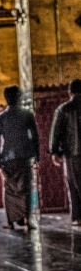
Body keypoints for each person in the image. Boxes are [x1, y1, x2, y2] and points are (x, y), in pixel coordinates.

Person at [0, 85, 40, 230]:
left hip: (7, 158)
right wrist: (37, 158)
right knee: (25, 188)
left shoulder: (0, 118)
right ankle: (26, 219)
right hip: (24, 157)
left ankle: (10, 222)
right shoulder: (27, 115)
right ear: (19, 98)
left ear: (6, 99)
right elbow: (35, 138)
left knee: (9, 190)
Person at [50, 78, 81, 226]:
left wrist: (54, 151)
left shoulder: (63, 109)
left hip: (72, 154)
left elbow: (56, 132)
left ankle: (78, 218)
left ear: (70, 92)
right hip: (72, 153)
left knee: (74, 185)